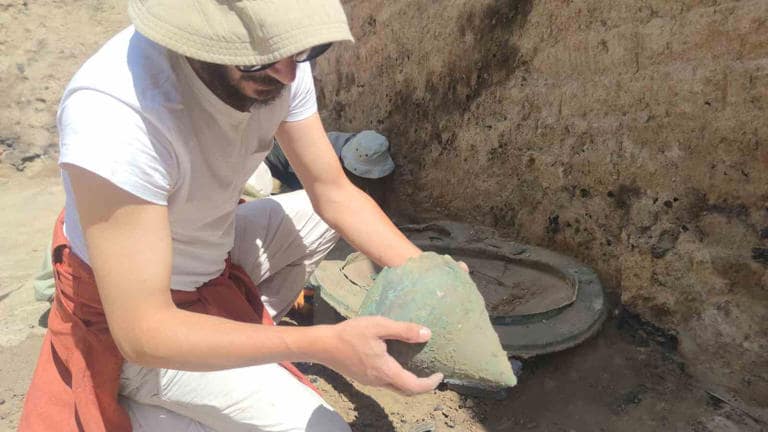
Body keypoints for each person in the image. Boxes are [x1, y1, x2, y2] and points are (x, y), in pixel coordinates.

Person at [19, 1, 445, 431]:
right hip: (137, 318)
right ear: (197, 42)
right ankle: (149, 399)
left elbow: (333, 193)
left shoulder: (278, 58)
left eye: (304, 51)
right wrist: (326, 345)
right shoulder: (115, 114)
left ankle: (235, 345)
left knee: (316, 220)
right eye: (261, 59)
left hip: (211, 259)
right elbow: (143, 331)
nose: (289, 75)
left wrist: (430, 276)